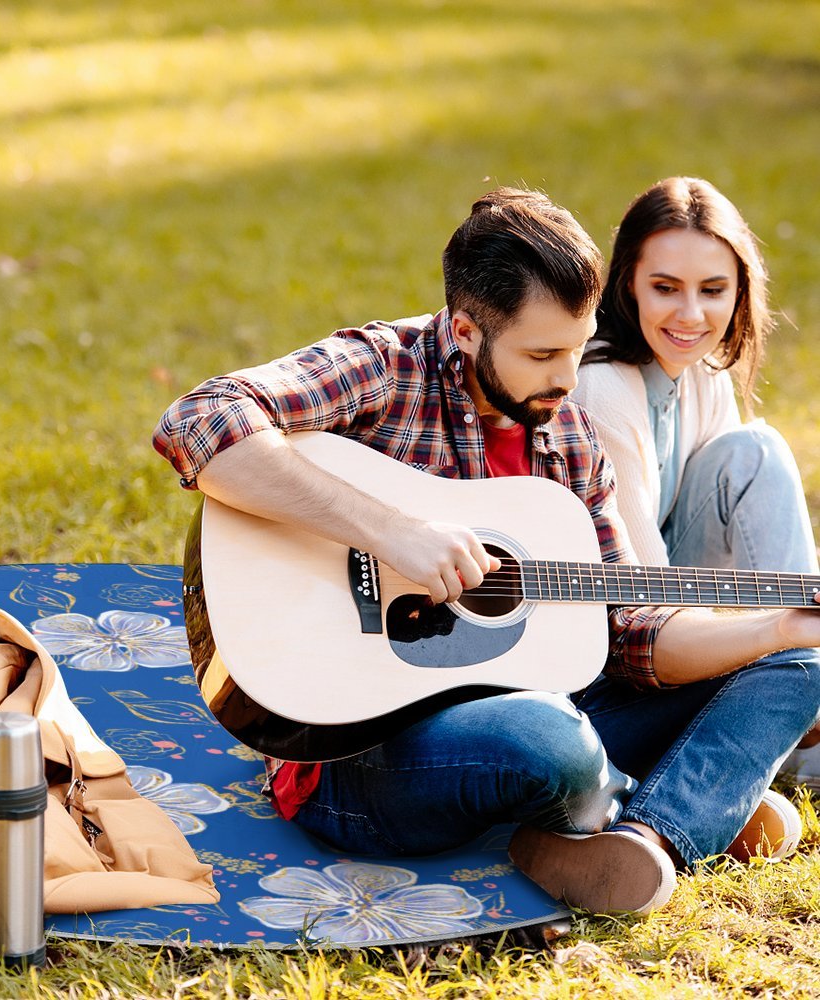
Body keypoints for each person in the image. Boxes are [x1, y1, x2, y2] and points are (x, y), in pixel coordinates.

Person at [153, 187, 820, 916]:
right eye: (542, 354)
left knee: (800, 664)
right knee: (549, 741)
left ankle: (651, 837)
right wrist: (389, 531)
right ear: (466, 330)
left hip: (547, 708)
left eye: (577, 346)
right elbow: (200, 419)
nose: (568, 380)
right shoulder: (384, 367)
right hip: (359, 754)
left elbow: (630, 629)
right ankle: (683, 796)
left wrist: (776, 628)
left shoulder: (568, 435)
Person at [573, 176, 820, 787]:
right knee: (757, 450)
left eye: (713, 290)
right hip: (613, 648)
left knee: (751, 451)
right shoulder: (603, 386)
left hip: (677, 613)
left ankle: (799, 694)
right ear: (627, 281)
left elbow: (739, 550)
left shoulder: (702, 369)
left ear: (740, 291)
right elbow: (643, 603)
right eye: (665, 288)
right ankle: (797, 726)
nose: (691, 315)